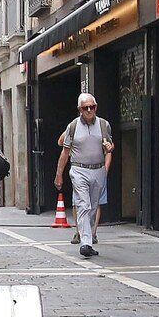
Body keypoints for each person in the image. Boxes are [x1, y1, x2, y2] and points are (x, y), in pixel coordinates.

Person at [58, 94, 115, 257]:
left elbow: (109, 147)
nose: (89, 110)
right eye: (85, 108)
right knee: (84, 204)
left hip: (98, 170)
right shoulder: (73, 126)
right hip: (79, 170)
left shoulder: (104, 125)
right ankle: (86, 243)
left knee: (93, 206)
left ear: (96, 107)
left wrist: (108, 152)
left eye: (92, 107)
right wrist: (59, 175)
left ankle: (87, 239)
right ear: (79, 110)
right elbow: (65, 151)